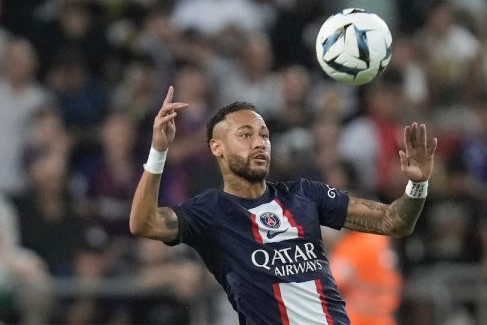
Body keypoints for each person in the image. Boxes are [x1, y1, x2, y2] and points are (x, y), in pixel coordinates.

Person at [130, 86, 438, 324]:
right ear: (217, 147)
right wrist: (159, 151)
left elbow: (394, 222)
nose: (259, 142)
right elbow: (143, 223)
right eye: (246, 135)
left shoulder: (304, 195)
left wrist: (417, 184)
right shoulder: (211, 211)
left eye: (264, 135)